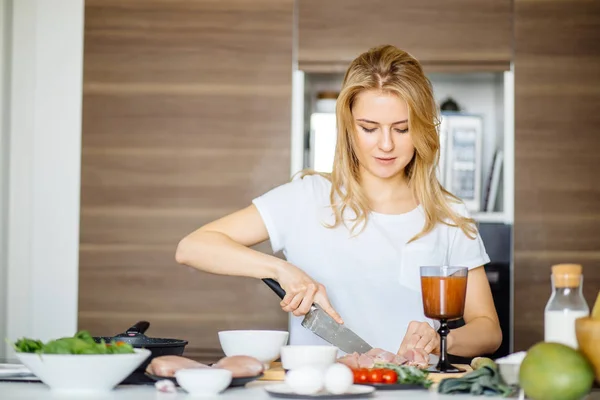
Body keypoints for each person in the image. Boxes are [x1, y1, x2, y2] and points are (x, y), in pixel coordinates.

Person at [175, 44, 502, 360]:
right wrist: (282, 270)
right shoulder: (307, 197)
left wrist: (441, 340)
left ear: (422, 129)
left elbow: (488, 330)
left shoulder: (448, 215)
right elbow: (193, 247)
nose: (386, 144)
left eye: (402, 129)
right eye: (369, 128)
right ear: (348, 126)